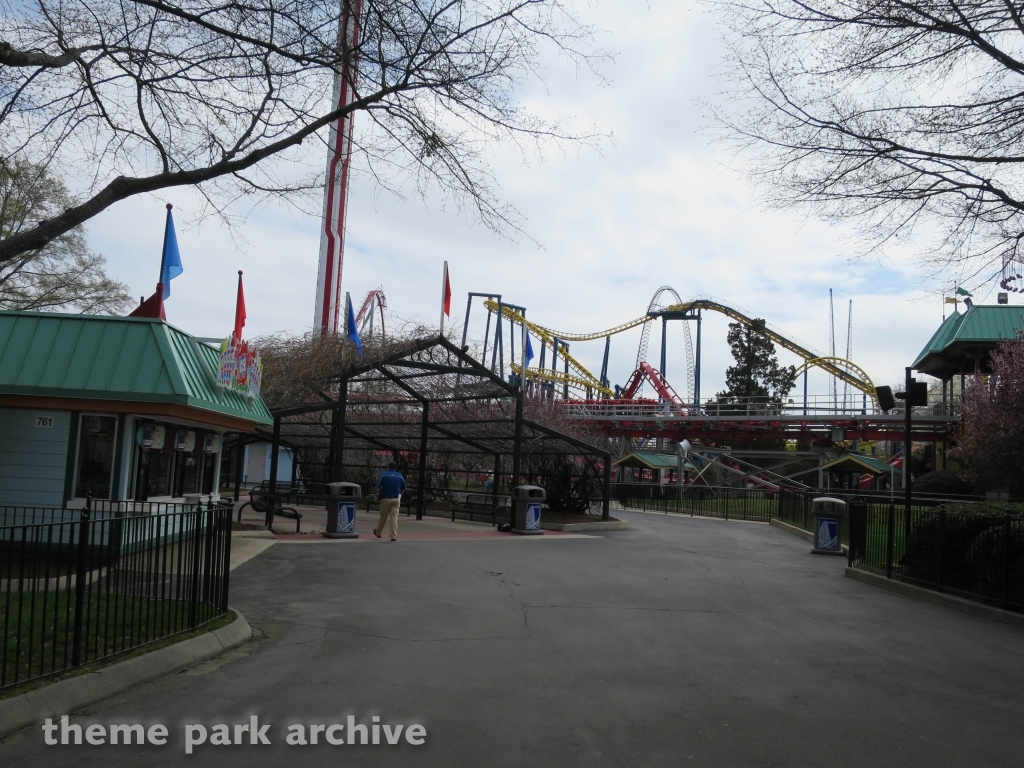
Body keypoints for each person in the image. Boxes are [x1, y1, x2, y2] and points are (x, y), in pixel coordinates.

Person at [374, 461, 406, 541]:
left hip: (385, 499)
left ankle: (378, 532)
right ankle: (393, 535)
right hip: (396, 499)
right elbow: (403, 488)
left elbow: (378, 486)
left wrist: (376, 495)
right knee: (394, 517)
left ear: (388, 466)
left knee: (383, 517)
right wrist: (400, 495)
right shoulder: (399, 476)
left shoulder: (384, 475)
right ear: (396, 467)